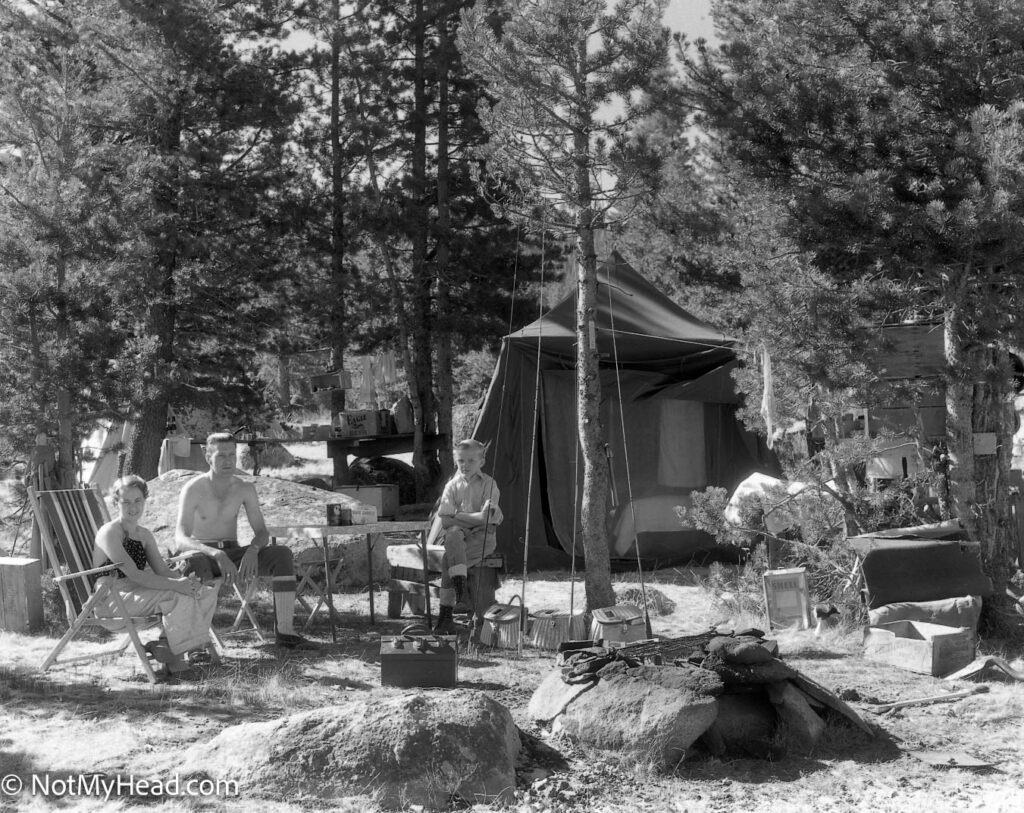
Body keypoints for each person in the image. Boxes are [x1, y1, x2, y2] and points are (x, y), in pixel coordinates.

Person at [175, 432, 316, 649]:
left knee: (282, 554)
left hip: (235, 554)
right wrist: (216, 554)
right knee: (194, 564)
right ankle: (195, 644)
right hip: (204, 555)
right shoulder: (193, 489)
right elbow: (181, 538)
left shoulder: (244, 488)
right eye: (221, 456)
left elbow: (261, 531)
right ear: (207, 456)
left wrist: (252, 549)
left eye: (232, 455)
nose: (228, 461)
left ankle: (286, 632)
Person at [93, 475, 219, 678]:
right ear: (116, 502)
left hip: (137, 593)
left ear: (144, 500)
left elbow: (162, 570)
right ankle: (176, 660)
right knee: (176, 594)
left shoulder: (144, 535)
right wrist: (177, 586)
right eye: (126, 502)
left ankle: (165, 646)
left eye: (137, 501)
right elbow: (135, 574)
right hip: (111, 598)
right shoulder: (110, 532)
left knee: (204, 593)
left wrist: (185, 582)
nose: (132, 507)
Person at [433, 439, 503, 635]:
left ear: (481, 462)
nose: (465, 465)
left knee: (449, 559)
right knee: (453, 534)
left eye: (471, 461)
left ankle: (446, 615)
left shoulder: (489, 484)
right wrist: (475, 518)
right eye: (461, 461)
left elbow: (487, 520)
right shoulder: (452, 486)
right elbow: (445, 523)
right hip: (460, 537)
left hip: (482, 538)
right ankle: (460, 595)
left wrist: (458, 516)